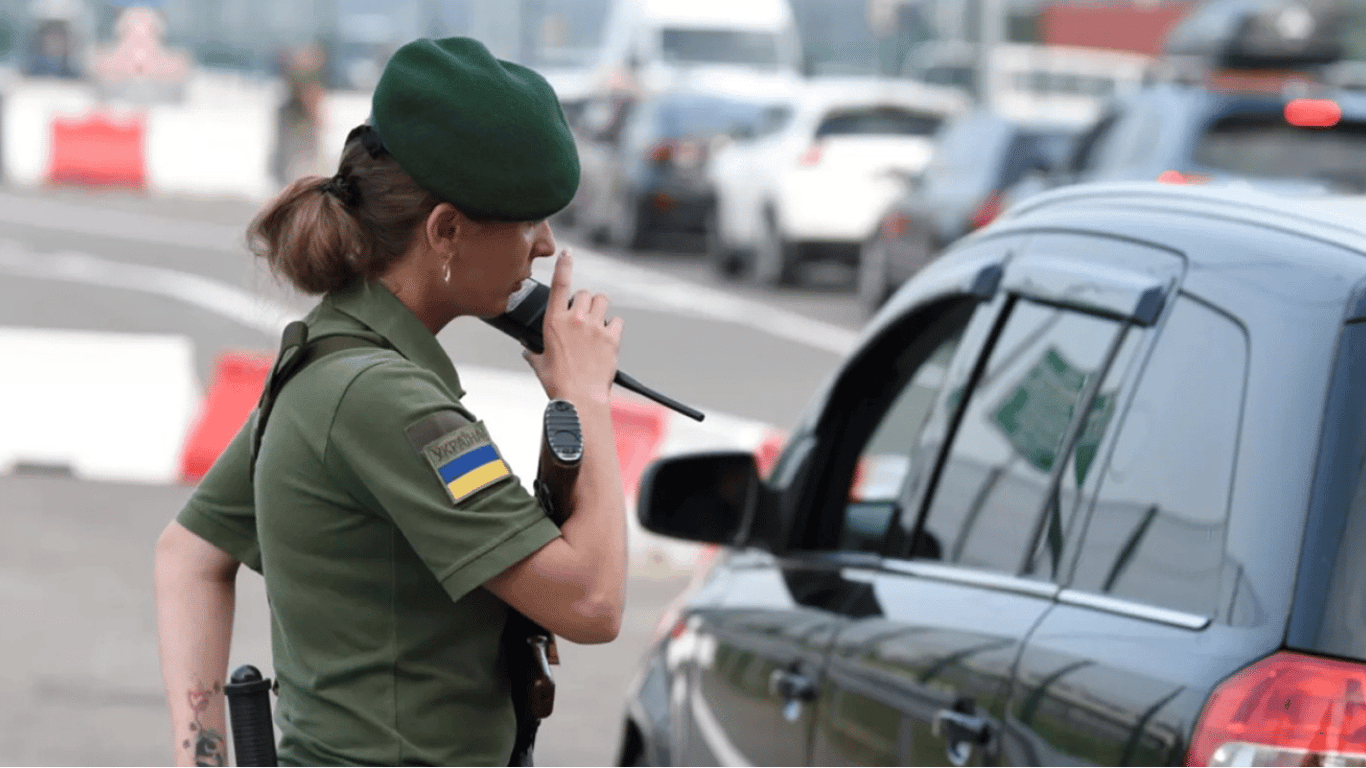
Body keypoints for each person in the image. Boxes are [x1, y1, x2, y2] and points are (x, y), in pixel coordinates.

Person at [153, 36, 628, 768]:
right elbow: (593, 603)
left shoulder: (329, 356)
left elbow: (188, 553)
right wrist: (585, 397)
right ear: (446, 230)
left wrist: (201, 756)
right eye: (527, 220)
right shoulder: (387, 400)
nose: (544, 246)